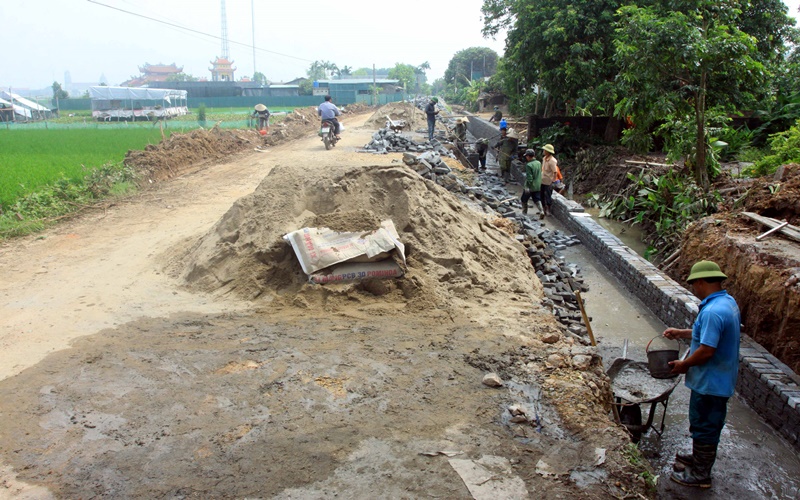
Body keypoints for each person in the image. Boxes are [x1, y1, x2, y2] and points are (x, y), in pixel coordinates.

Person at [662, 260, 741, 489]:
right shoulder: (727, 303)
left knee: (705, 424)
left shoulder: (713, 312)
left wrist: (684, 364)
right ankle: (699, 459)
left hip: (711, 382)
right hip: (719, 378)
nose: (694, 289)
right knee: (704, 422)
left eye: (694, 284)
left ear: (700, 281)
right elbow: (706, 335)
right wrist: (681, 333)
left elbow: (707, 350)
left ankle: (700, 475)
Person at [521, 149, 544, 217]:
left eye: (526, 156)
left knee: (524, 199)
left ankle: (524, 212)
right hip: (537, 185)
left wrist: (528, 186)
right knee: (537, 199)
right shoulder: (539, 163)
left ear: (528, 156)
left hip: (530, 186)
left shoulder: (529, 165)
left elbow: (529, 177)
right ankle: (541, 211)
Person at [540, 144, 558, 216]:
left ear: (547, 151)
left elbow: (555, 172)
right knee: (541, 195)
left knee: (548, 195)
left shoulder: (552, 161)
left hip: (548, 181)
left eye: (545, 150)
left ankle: (548, 209)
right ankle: (543, 209)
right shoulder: (544, 159)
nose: (543, 151)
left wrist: (553, 181)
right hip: (542, 180)